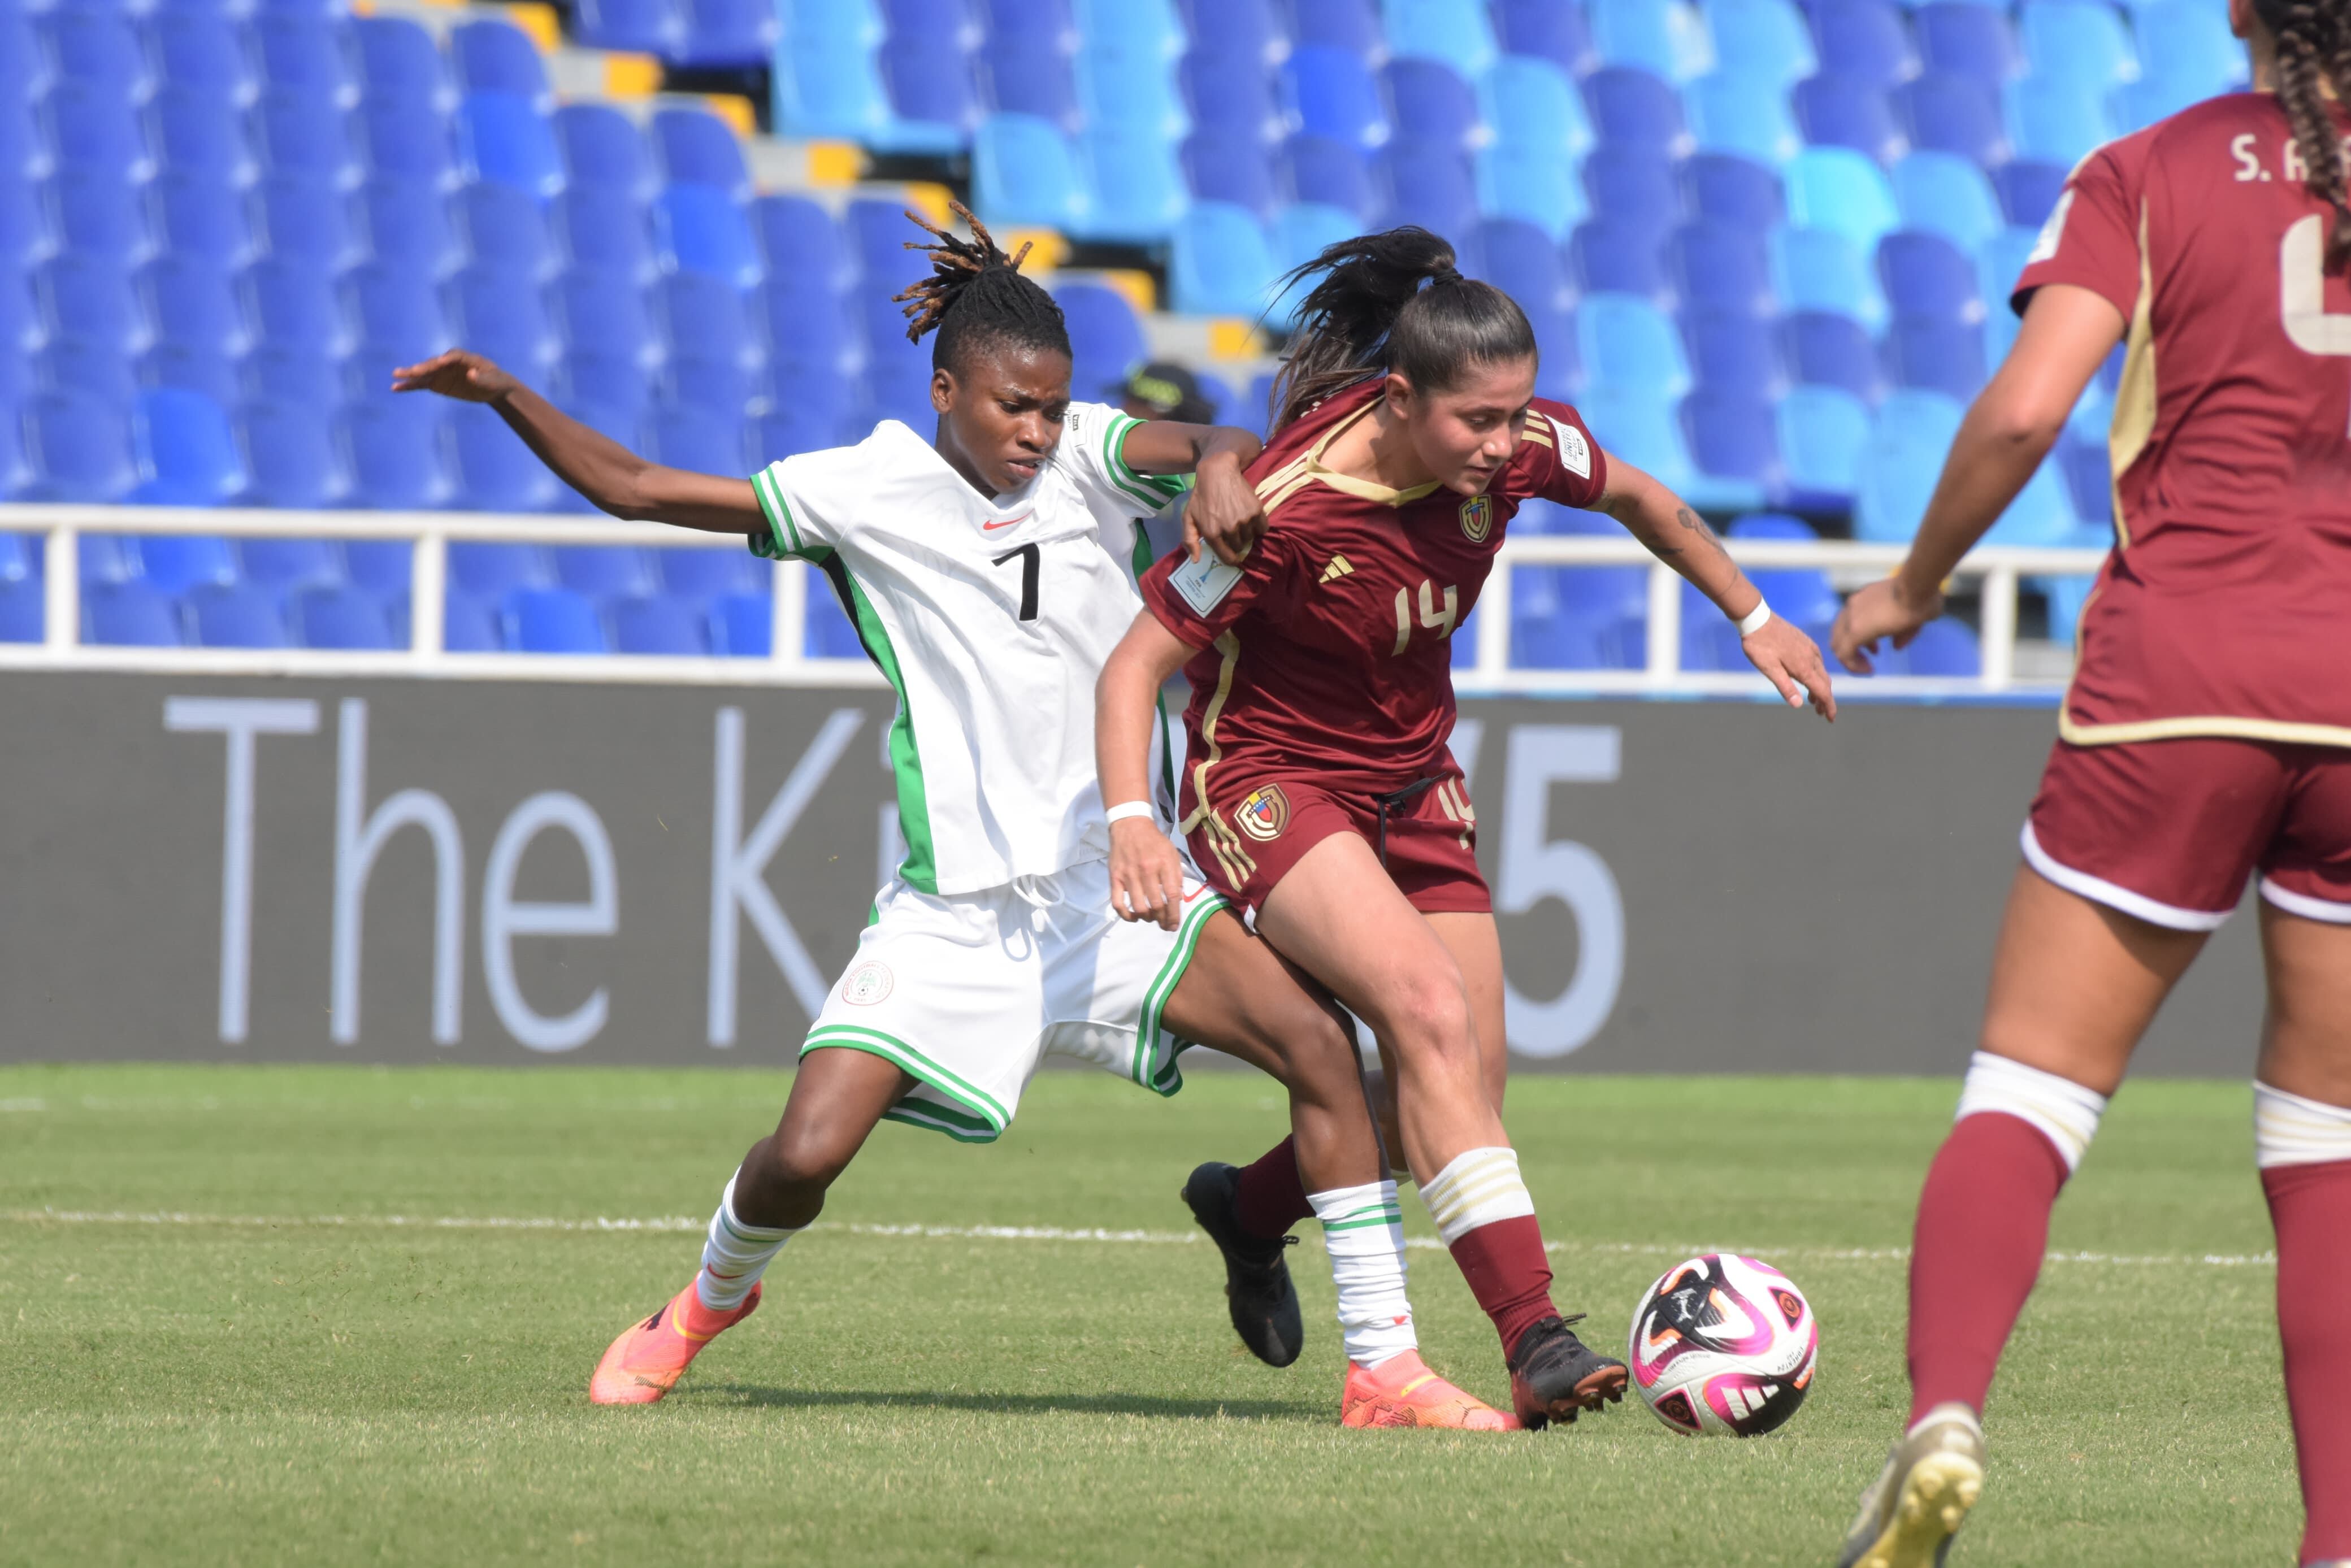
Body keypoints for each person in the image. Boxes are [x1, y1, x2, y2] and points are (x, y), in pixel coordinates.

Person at [391, 207, 1513, 1431]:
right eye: (1009, 407)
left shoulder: (1093, 451)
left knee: (1324, 1052)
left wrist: (1226, 461)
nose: (1034, 432)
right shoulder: (858, 490)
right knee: (804, 1154)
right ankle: (704, 1302)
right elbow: (637, 488)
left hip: (1112, 886)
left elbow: (1217, 435)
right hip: (955, 916)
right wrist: (505, 392)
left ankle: (1383, 1367)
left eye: (1049, 406)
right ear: (944, 389)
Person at [1096, 228, 1838, 1429]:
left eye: (1514, 417)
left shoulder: (1517, 447)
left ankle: (1247, 1208)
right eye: (1477, 423)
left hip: (1413, 779)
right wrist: (1133, 817)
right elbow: (1132, 668)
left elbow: (1645, 496)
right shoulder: (1280, 507)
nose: (1504, 448)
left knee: (1463, 1087)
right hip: (1266, 781)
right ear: (1399, 399)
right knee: (1426, 1014)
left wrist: (1752, 613)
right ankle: (1534, 1335)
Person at [1826, 1, 2351, 1560]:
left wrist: (1915, 585)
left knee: (2032, 1093)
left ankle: (1944, 1420)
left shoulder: (2150, 166)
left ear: (2245, 15)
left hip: (2177, 684)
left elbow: (2027, 407)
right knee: (2329, 1142)